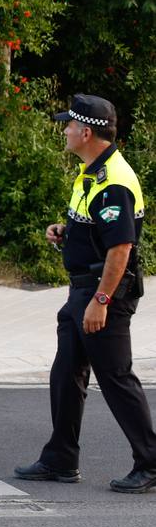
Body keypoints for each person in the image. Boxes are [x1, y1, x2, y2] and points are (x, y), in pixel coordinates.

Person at [15, 94, 156, 494]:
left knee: (115, 377)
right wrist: (68, 232)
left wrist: (101, 301)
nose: (64, 130)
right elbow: (98, 231)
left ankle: (151, 461)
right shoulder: (92, 172)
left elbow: (121, 249)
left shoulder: (113, 182)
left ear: (86, 132)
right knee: (66, 373)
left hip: (103, 293)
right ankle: (61, 458)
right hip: (82, 290)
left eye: (69, 125)